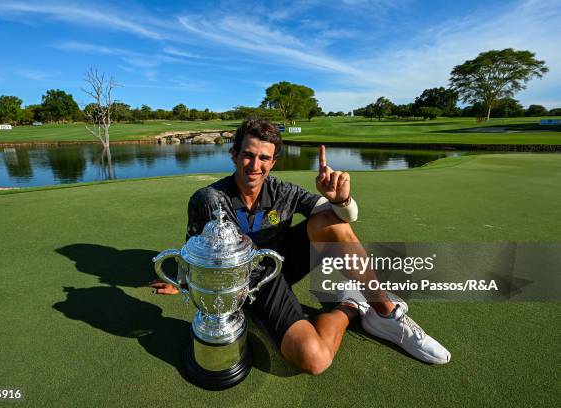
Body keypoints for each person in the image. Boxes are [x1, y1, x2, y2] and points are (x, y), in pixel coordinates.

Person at [151, 118, 450, 374]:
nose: (255, 165)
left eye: (264, 158)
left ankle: (386, 312)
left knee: (330, 222)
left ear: (273, 161)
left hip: (282, 263)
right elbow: (194, 247)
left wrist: (340, 200)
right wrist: (182, 281)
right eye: (248, 155)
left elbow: (343, 219)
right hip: (250, 284)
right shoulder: (209, 199)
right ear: (234, 154)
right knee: (315, 359)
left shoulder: (283, 190)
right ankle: (351, 305)